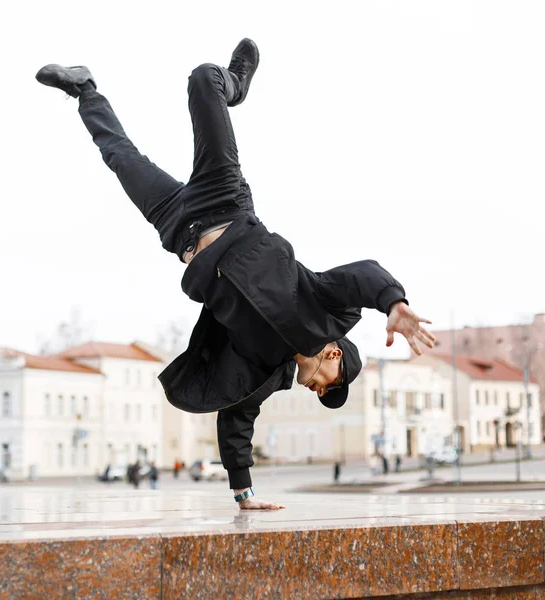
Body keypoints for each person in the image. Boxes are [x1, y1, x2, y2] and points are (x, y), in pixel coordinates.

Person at [36, 39, 435, 510]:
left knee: (120, 158)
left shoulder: (266, 373)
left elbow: (235, 421)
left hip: (180, 228)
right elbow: (364, 275)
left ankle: (85, 90)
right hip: (223, 199)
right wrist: (394, 303)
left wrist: (243, 493)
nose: (320, 389)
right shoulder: (323, 307)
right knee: (204, 79)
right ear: (332, 353)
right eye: (331, 382)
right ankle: (237, 83)